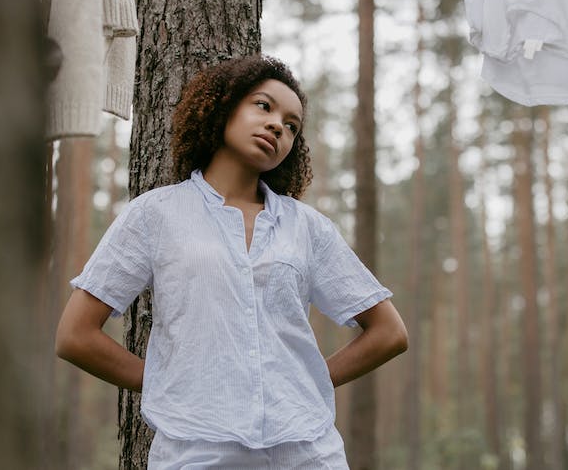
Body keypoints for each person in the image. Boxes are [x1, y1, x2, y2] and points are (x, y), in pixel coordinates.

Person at [55, 55, 408, 469]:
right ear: (223, 107)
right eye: (264, 106)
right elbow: (75, 335)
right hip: (196, 451)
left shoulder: (307, 228)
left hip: (308, 452)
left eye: (292, 126)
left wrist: (305, 381)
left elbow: (389, 333)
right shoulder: (155, 215)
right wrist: (167, 382)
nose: (278, 125)